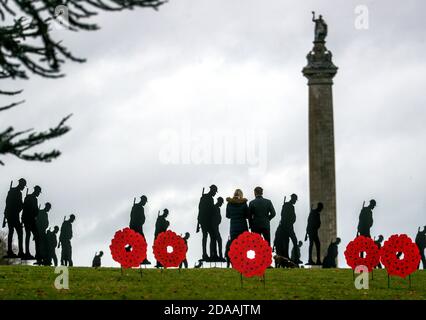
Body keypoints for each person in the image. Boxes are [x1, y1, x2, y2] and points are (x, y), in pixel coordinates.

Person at [3, 178, 26, 258]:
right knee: (19, 232)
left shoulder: (12, 191)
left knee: (11, 232)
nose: (23, 188)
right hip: (13, 215)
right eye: (23, 186)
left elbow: (7, 202)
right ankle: (19, 252)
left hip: (10, 214)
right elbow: (14, 203)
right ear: (21, 184)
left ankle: (10, 251)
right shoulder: (17, 193)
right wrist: (23, 206)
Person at [197, 185, 217, 261]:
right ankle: (207, 254)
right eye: (215, 191)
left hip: (203, 220)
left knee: (206, 237)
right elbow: (202, 208)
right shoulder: (208, 198)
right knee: (210, 236)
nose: (215, 193)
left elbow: (200, 208)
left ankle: (206, 254)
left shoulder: (205, 197)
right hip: (206, 220)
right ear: (212, 190)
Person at [22, 185, 41, 260]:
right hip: (27, 219)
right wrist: (23, 219)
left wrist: (36, 212)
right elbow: (25, 208)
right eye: (38, 192)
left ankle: (37, 254)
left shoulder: (35, 199)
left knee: (37, 236)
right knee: (28, 235)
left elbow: (35, 210)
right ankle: (27, 253)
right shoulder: (28, 197)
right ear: (35, 191)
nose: (38, 194)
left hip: (32, 219)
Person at [129, 195, 150, 264]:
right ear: (142, 200)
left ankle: (140, 258)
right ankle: (143, 259)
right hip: (137, 227)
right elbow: (133, 217)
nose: (145, 203)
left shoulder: (137, 207)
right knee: (142, 243)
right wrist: (140, 222)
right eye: (145, 202)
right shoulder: (138, 207)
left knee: (135, 243)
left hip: (136, 227)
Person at [281, 194, 298, 259]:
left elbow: (282, 215)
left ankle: (287, 257)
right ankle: (294, 258)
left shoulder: (287, 205)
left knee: (287, 241)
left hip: (287, 226)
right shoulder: (289, 206)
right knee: (293, 240)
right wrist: (291, 222)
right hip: (288, 226)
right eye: (295, 200)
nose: (295, 201)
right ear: (293, 199)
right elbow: (283, 215)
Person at [210, 197, 225, 262]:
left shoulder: (217, 208)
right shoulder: (214, 208)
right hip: (214, 227)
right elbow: (212, 218)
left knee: (215, 241)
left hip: (216, 226)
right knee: (218, 240)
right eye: (221, 202)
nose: (221, 204)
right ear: (219, 201)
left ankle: (215, 255)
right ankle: (216, 255)